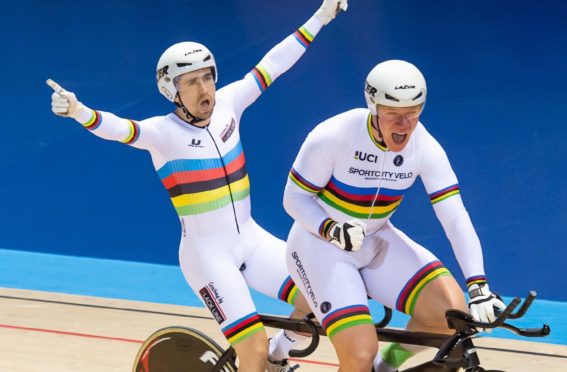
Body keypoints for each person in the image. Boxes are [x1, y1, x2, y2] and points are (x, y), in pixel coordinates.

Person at [46, 2, 348, 371]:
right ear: (171, 91)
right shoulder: (163, 134)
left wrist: (320, 17)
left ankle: (278, 356)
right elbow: (119, 129)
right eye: (192, 82)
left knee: (322, 299)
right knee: (249, 352)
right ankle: (262, 359)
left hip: (251, 241)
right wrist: (79, 111)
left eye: (208, 77)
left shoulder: (230, 104)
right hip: (207, 257)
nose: (205, 89)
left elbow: (273, 64)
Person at [283, 59, 505, 372]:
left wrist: (478, 286)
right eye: (393, 114)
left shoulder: (424, 146)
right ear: (373, 106)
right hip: (318, 244)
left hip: (375, 238)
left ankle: (386, 365)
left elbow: (454, 216)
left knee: (451, 314)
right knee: (358, 356)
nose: (403, 124)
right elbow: (294, 198)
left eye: (412, 112)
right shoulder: (334, 134)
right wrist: (331, 229)